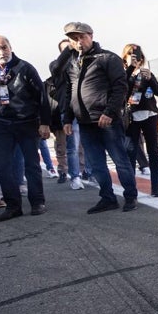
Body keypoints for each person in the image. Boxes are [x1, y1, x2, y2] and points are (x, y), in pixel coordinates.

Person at [61, 22, 138, 213]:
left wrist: (109, 113)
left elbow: (121, 87)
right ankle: (107, 198)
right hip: (85, 123)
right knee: (96, 165)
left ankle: (130, 196)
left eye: (81, 37)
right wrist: (67, 119)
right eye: (73, 38)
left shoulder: (108, 58)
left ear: (91, 35)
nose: (78, 42)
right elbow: (71, 92)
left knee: (120, 160)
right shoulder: (72, 63)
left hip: (107, 121)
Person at [0, 35, 50, 221]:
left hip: (26, 123)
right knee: (4, 166)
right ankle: (13, 206)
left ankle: (37, 202)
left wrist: (44, 122)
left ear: (11, 47)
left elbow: (42, 97)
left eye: (4, 47)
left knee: (32, 164)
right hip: (1, 125)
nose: (1, 52)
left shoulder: (25, 68)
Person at [121, 44, 158, 197]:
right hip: (132, 117)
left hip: (150, 115)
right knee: (131, 152)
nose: (135, 58)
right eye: (131, 55)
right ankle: (131, 190)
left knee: (153, 151)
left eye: (137, 56)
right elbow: (121, 91)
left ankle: (155, 187)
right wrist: (130, 70)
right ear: (125, 57)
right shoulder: (123, 74)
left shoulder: (147, 73)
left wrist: (150, 78)